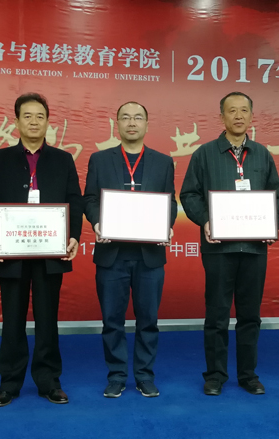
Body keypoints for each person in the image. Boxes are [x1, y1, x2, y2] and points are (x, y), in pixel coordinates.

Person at [0, 93, 83, 406]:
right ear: (16, 122)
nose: (34, 121)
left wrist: (73, 237)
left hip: (51, 251)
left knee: (47, 318)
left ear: (48, 122)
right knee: (12, 319)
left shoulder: (63, 159)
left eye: (40, 116)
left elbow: (74, 200)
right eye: (27, 116)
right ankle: (9, 383)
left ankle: (49, 381)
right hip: (11, 250)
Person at [180, 91, 279, 396]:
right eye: (232, 111)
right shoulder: (204, 153)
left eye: (244, 111)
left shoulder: (262, 154)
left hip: (254, 248)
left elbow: (277, 198)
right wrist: (205, 220)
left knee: (250, 315)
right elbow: (189, 194)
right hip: (219, 248)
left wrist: (273, 224)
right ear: (221, 116)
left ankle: (248, 375)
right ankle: (215, 375)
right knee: (217, 314)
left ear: (252, 116)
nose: (238, 116)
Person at [83, 101, 177, 398]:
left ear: (147, 124)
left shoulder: (163, 162)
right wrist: (98, 222)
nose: (132, 123)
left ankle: (145, 375)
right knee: (112, 320)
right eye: (125, 117)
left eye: (138, 118)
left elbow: (170, 201)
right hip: (112, 255)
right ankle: (117, 376)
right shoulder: (100, 159)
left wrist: (167, 224)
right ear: (117, 124)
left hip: (149, 256)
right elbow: (90, 199)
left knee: (148, 320)